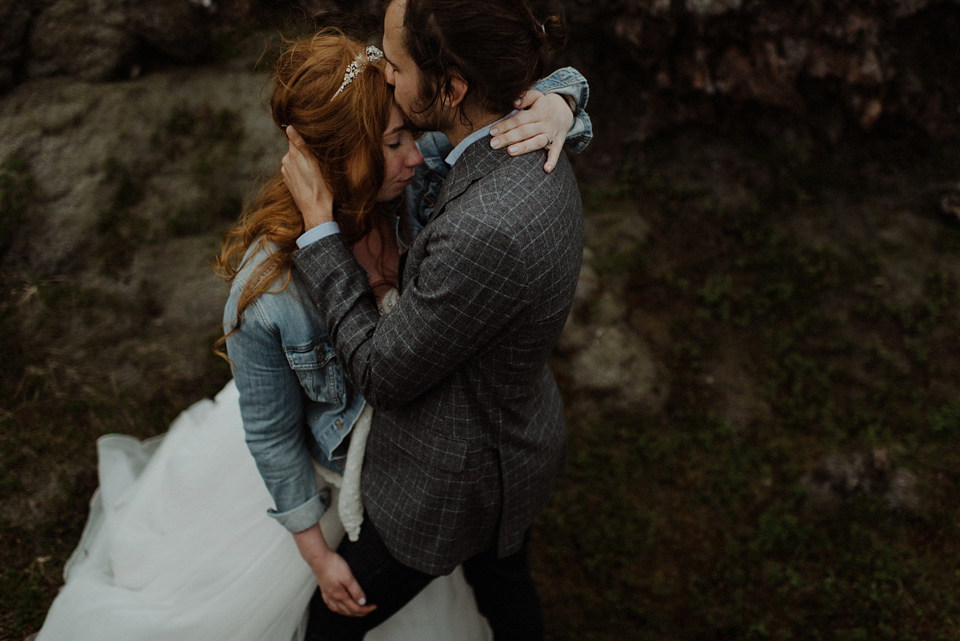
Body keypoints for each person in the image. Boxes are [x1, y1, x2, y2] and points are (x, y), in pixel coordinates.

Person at [31, 26, 591, 641]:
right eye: (395, 142)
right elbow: (272, 432)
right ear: (333, 161)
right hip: (348, 472)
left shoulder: (419, 184)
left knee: (502, 573)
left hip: (446, 461)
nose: (418, 154)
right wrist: (315, 553)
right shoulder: (267, 296)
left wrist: (564, 104)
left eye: (411, 133)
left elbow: (502, 122)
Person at [281, 2, 586, 639]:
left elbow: (382, 371)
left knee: (331, 621)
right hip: (517, 433)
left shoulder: (484, 229)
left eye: (395, 64)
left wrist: (319, 233)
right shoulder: (532, 131)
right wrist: (569, 98)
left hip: (452, 478)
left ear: (450, 89)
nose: (383, 74)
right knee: (504, 580)